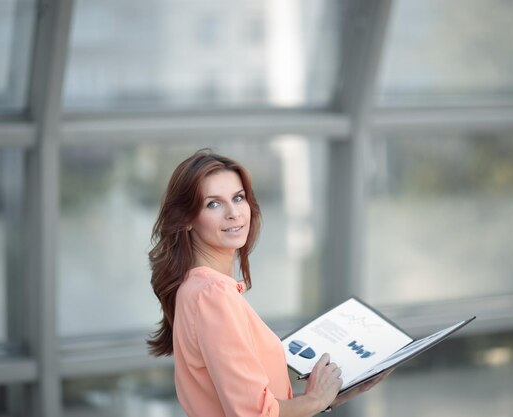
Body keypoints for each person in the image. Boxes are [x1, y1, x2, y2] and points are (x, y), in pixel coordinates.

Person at [147, 149, 389, 416]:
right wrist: (316, 400)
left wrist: (331, 394)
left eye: (238, 198)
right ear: (187, 219)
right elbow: (255, 413)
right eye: (213, 204)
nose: (233, 213)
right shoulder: (213, 294)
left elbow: (259, 403)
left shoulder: (194, 288)